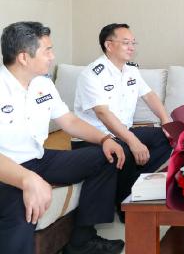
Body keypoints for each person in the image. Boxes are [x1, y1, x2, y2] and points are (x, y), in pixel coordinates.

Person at [0, 22, 126, 254]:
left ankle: (81, 241)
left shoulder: (43, 83)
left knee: (107, 156)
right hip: (6, 169)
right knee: (22, 213)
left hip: (38, 158)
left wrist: (105, 139)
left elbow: (69, 122)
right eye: (47, 50)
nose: (52, 56)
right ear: (24, 57)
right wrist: (27, 179)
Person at [73, 23, 172, 222]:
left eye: (133, 43)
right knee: (125, 150)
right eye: (126, 42)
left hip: (122, 132)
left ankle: (130, 186)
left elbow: (149, 95)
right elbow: (102, 113)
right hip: (96, 138)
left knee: (166, 138)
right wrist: (132, 141)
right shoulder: (91, 74)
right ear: (109, 45)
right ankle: (125, 205)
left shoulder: (131, 71)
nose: (131, 47)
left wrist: (166, 121)